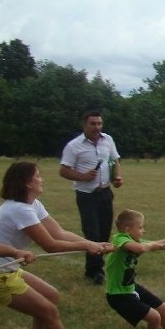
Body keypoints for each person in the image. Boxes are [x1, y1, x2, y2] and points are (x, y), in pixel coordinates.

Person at [0, 161, 113, 329]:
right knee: (48, 311)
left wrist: (93, 244)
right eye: (38, 176)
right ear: (27, 183)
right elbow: (50, 245)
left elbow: (59, 232)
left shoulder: (32, 205)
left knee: (51, 296)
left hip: (7, 270)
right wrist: (87, 246)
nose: (42, 179)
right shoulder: (20, 209)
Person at [59, 109, 123, 285]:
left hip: (105, 193)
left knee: (104, 232)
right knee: (92, 233)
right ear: (84, 125)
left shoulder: (107, 140)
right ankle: (95, 271)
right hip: (87, 196)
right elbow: (63, 170)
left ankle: (97, 267)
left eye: (99, 123)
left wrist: (117, 178)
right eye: (93, 124)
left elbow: (115, 161)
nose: (97, 127)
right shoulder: (74, 146)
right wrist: (82, 177)